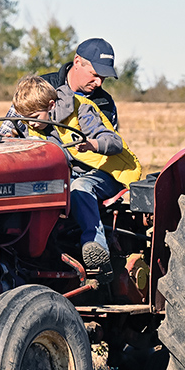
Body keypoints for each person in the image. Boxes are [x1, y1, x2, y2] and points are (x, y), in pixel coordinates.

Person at [11, 75, 141, 283]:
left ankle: (97, 250)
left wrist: (92, 144)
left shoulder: (81, 110)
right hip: (69, 176)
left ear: (51, 105)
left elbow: (113, 142)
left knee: (79, 188)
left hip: (105, 173)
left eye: (34, 116)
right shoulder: (31, 122)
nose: (30, 124)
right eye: (26, 119)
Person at [0, 38, 120, 136]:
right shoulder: (39, 88)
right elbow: (5, 132)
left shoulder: (106, 105)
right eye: (94, 75)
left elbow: (112, 146)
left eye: (103, 77)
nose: (99, 83)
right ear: (77, 62)